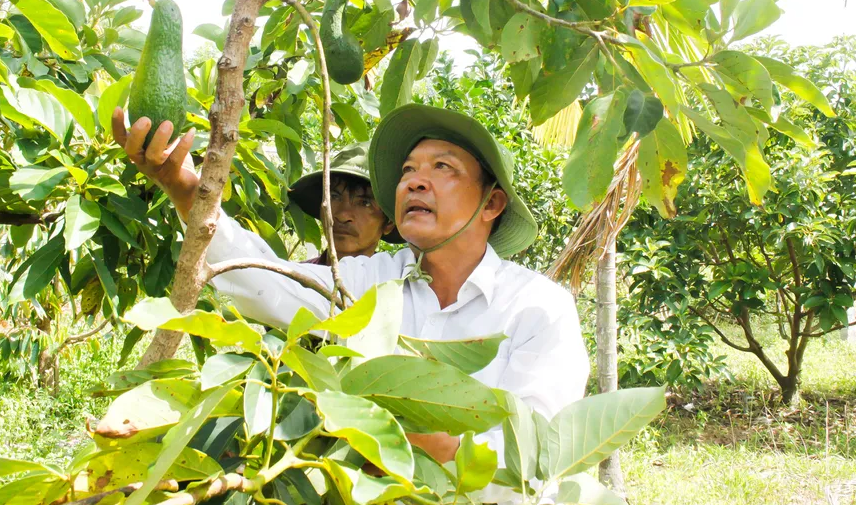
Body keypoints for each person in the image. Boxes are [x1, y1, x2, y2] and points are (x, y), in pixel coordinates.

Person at [112, 104, 589, 467]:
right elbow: (264, 280)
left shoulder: (538, 308)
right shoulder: (369, 281)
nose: (415, 182)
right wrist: (183, 184)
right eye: (407, 171)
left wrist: (391, 430)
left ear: (492, 204)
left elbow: (536, 448)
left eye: (442, 168)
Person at [287, 142, 402, 264]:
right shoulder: (293, 279)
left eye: (364, 203)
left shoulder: (398, 282)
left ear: (389, 222)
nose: (343, 216)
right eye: (334, 196)